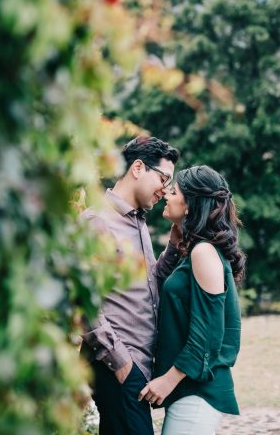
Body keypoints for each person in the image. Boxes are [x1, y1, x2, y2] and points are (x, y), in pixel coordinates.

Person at [80, 136, 182, 435]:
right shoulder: (98, 222)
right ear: (138, 168)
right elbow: (83, 301)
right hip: (118, 365)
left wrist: (174, 247)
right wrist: (122, 364)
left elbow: (149, 284)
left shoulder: (138, 223)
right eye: (163, 178)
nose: (165, 190)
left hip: (137, 365)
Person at [138, 165, 246, 434]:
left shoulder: (204, 252)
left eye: (173, 191)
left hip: (198, 393)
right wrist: (174, 246)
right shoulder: (195, 251)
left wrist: (167, 380)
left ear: (189, 206)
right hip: (189, 391)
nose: (166, 194)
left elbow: (209, 333)